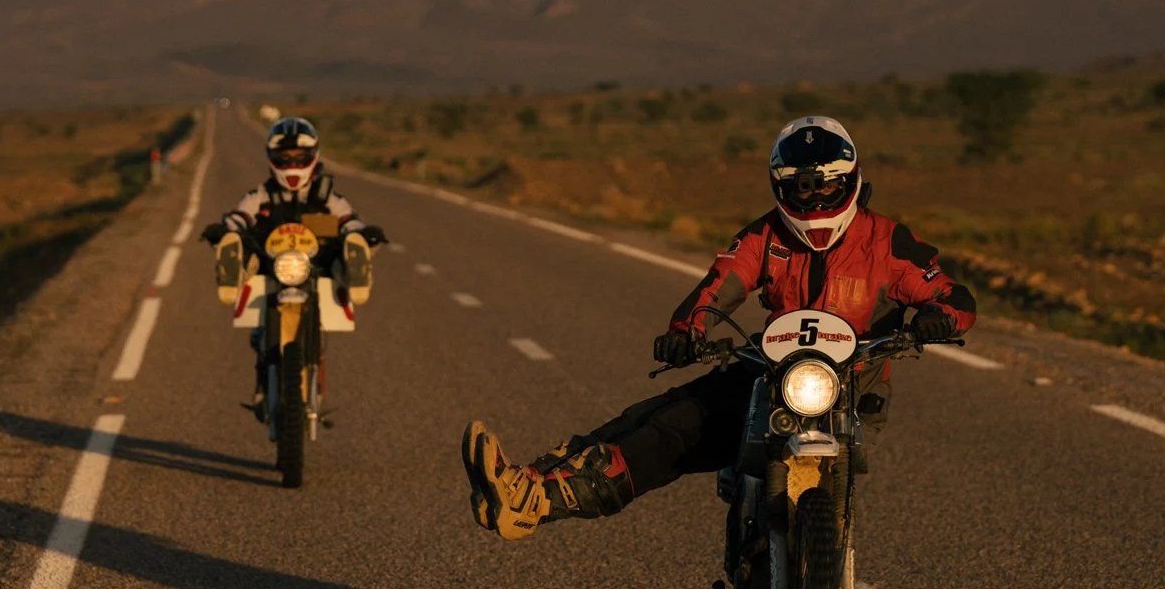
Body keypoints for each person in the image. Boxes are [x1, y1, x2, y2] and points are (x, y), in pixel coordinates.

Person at [461, 115, 977, 540]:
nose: (817, 200)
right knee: (660, 423)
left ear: (852, 180)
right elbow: (718, 287)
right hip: (770, 375)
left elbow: (953, 296)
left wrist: (938, 319)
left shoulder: (887, 240)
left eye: (828, 186)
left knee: (669, 424)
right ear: (781, 187)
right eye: (803, 188)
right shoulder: (764, 236)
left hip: (854, 385)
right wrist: (687, 330)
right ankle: (529, 496)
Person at [215, 110, 375, 414]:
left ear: (313, 156)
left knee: (347, 250)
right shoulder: (261, 194)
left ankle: (356, 272)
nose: (291, 165)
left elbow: (348, 218)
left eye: (298, 157)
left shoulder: (327, 195)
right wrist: (228, 230)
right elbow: (240, 214)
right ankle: (231, 269)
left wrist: (360, 233)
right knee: (242, 249)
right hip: (270, 266)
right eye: (284, 158)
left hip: (317, 267)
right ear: (271, 158)